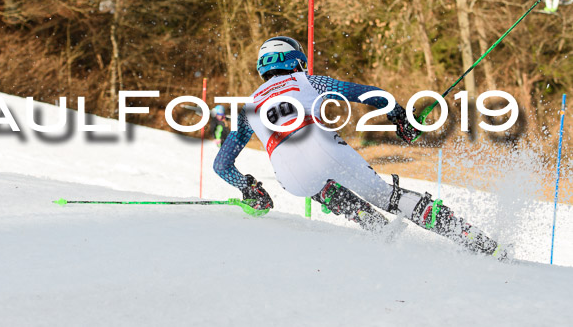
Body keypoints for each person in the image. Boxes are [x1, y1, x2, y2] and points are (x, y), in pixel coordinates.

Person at [213, 35, 507, 259]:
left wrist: (250, 188)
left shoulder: (247, 108)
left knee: (316, 183)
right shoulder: (306, 80)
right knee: (387, 196)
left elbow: (221, 165)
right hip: (323, 145)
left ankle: (366, 218)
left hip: (291, 177)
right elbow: (372, 95)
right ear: (294, 61)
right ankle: (474, 240)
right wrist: (400, 118)